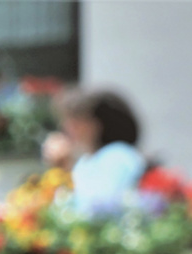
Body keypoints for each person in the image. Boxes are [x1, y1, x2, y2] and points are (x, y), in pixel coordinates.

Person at [42, 87, 145, 215]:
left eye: (76, 120)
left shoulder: (118, 155)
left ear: (98, 124)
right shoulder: (86, 161)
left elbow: (98, 208)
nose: (67, 127)